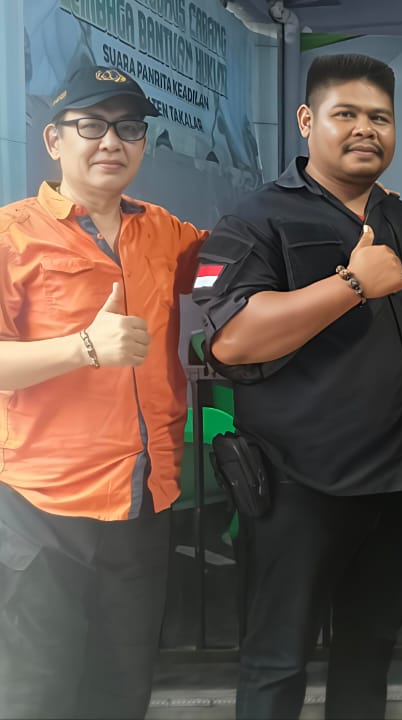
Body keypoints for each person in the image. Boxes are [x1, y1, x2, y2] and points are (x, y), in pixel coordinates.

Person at [192, 54, 402, 720]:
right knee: (277, 660)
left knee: (369, 656)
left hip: (393, 482)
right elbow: (230, 341)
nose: (366, 129)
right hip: (296, 485)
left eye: (380, 118)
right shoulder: (255, 219)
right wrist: (353, 283)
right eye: (347, 114)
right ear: (307, 121)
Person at [0, 64, 206, 718]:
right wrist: (84, 348)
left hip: (145, 500)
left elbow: (233, 268)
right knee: (39, 693)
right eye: (91, 125)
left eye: (129, 128)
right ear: (54, 140)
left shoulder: (166, 232)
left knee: (124, 689)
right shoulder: (12, 235)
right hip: (44, 508)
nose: (111, 141)